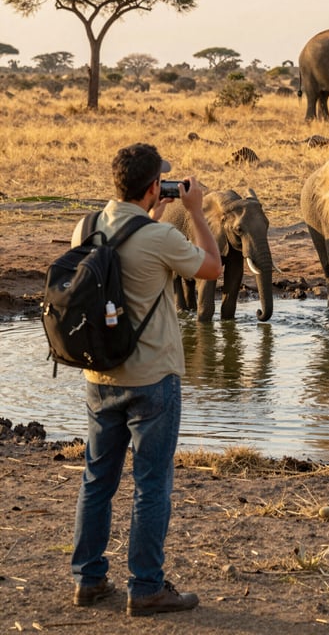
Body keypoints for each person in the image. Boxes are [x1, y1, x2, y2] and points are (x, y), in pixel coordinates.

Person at [70, 143, 222, 616]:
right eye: (164, 181)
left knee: (98, 480)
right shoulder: (159, 236)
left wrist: (150, 210)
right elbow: (212, 266)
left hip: (100, 373)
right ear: (155, 186)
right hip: (153, 378)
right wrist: (196, 213)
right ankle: (146, 587)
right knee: (151, 484)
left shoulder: (87, 226)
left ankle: (89, 580)